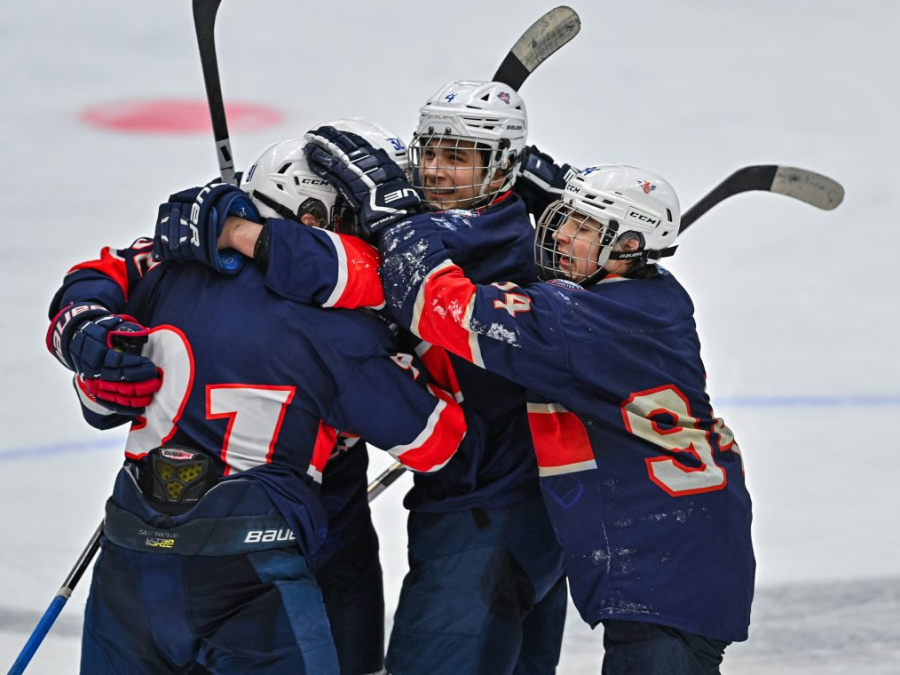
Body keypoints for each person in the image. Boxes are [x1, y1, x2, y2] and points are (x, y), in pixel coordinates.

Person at [301, 131, 756, 674]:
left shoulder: (575, 322)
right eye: (565, 217)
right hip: (679, 537)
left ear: (628, 248)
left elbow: (437, 304)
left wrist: (394, 216)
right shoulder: (649, 296)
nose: (560, 233)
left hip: (669, 550)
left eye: (583, 228)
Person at [158, 81, 570, 675]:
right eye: (430, 151)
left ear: (502, 166)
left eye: (458, 157)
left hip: (489, 511)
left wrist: (237, 232)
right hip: (518, 501)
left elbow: (349, 270)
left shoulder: (482, 239)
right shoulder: (475, 225)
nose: (435, 170)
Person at [45, 140, 467, 674]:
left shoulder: (168, 274)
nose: (367, 237)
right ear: (312, 218)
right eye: (354, 219)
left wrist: (83, 343)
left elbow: (101, 393)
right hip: (251, 573)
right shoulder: (343, 330)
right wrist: (418, 338)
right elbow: (438, 443)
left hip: (130, 557)